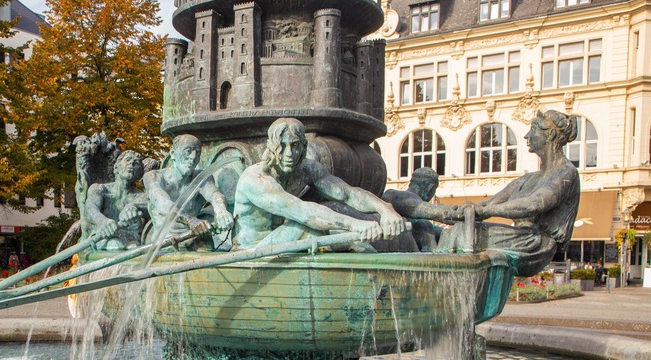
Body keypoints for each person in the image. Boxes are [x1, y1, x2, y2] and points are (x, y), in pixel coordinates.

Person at [437, 110, 581, 277]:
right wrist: (456, 213)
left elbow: (536, 203)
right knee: (456, 230)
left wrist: (485, 211)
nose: (527, 136)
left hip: (536, 243)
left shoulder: (566, 172)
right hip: (523, 236)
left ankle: (454, 289)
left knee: (464, 234)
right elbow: (488, 204)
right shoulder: (528, 178)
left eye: (533, 129)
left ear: (551, 134)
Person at [232, 118, 406, 249]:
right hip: (251, 249)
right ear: (270, 146)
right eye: (281, 146)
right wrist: (355, 224)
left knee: (354, 239)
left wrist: (386, 209)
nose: (288, 154)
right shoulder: (256, 179)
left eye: (294, 145)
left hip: (284, 240)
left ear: (304, 146)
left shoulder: (307, 169)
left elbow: (348, 194)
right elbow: (305, 213)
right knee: (312, 228)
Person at [143, 134, 233, 250]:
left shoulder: (202, 178)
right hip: (165, 242)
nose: (193, 157)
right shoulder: (154, 177)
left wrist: (221, 210)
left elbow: (215, 195)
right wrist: (190, 220)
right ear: (173, 154)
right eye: (188, 151)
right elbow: (163, 204)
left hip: (195, 238)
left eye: (198, 153)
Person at [84, 150, 149, 250]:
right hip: (102, 239)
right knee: (115, 245)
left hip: (130, 241)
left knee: (134, 248)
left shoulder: (142, 197)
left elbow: (153, 210)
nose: (131, 164)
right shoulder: (100, 189)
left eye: (135, 163)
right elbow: (90, 208)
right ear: (116, 167)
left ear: (140, 172)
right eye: (127, 160)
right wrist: (102, 221)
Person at [381, 167, 458, 252]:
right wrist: (456, 213)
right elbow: (418, 208)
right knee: (425, 226)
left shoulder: (392, 194)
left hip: (393, 246)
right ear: (430, 189)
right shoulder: (394, 195)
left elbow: (437, 229)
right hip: (397, 244)